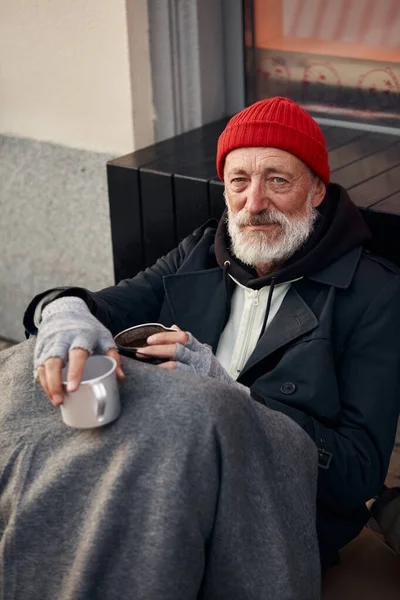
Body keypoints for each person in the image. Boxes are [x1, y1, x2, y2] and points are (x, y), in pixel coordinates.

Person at [19, 97, 400, 581]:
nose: (254, 203)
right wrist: (64, 311)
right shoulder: (203, 250)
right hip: (166, 459)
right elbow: (109, 305)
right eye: (239, 181)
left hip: (279, 504)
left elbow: (359, 472)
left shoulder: (376, 293)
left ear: (317, 191)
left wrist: (230, 394)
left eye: (277, 180)